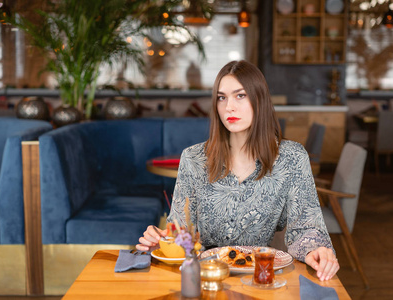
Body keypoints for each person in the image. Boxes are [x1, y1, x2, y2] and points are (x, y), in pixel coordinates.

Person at [137, 60, 339, 281]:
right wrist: (162, 240)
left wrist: (316, 250)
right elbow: (181, 231)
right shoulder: (193, 159)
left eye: (240, 95)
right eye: (222, 97)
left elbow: (307, 227)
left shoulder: (291, 158)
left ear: (259, 99)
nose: (228, 107)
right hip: (205, 278)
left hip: (260, 277)